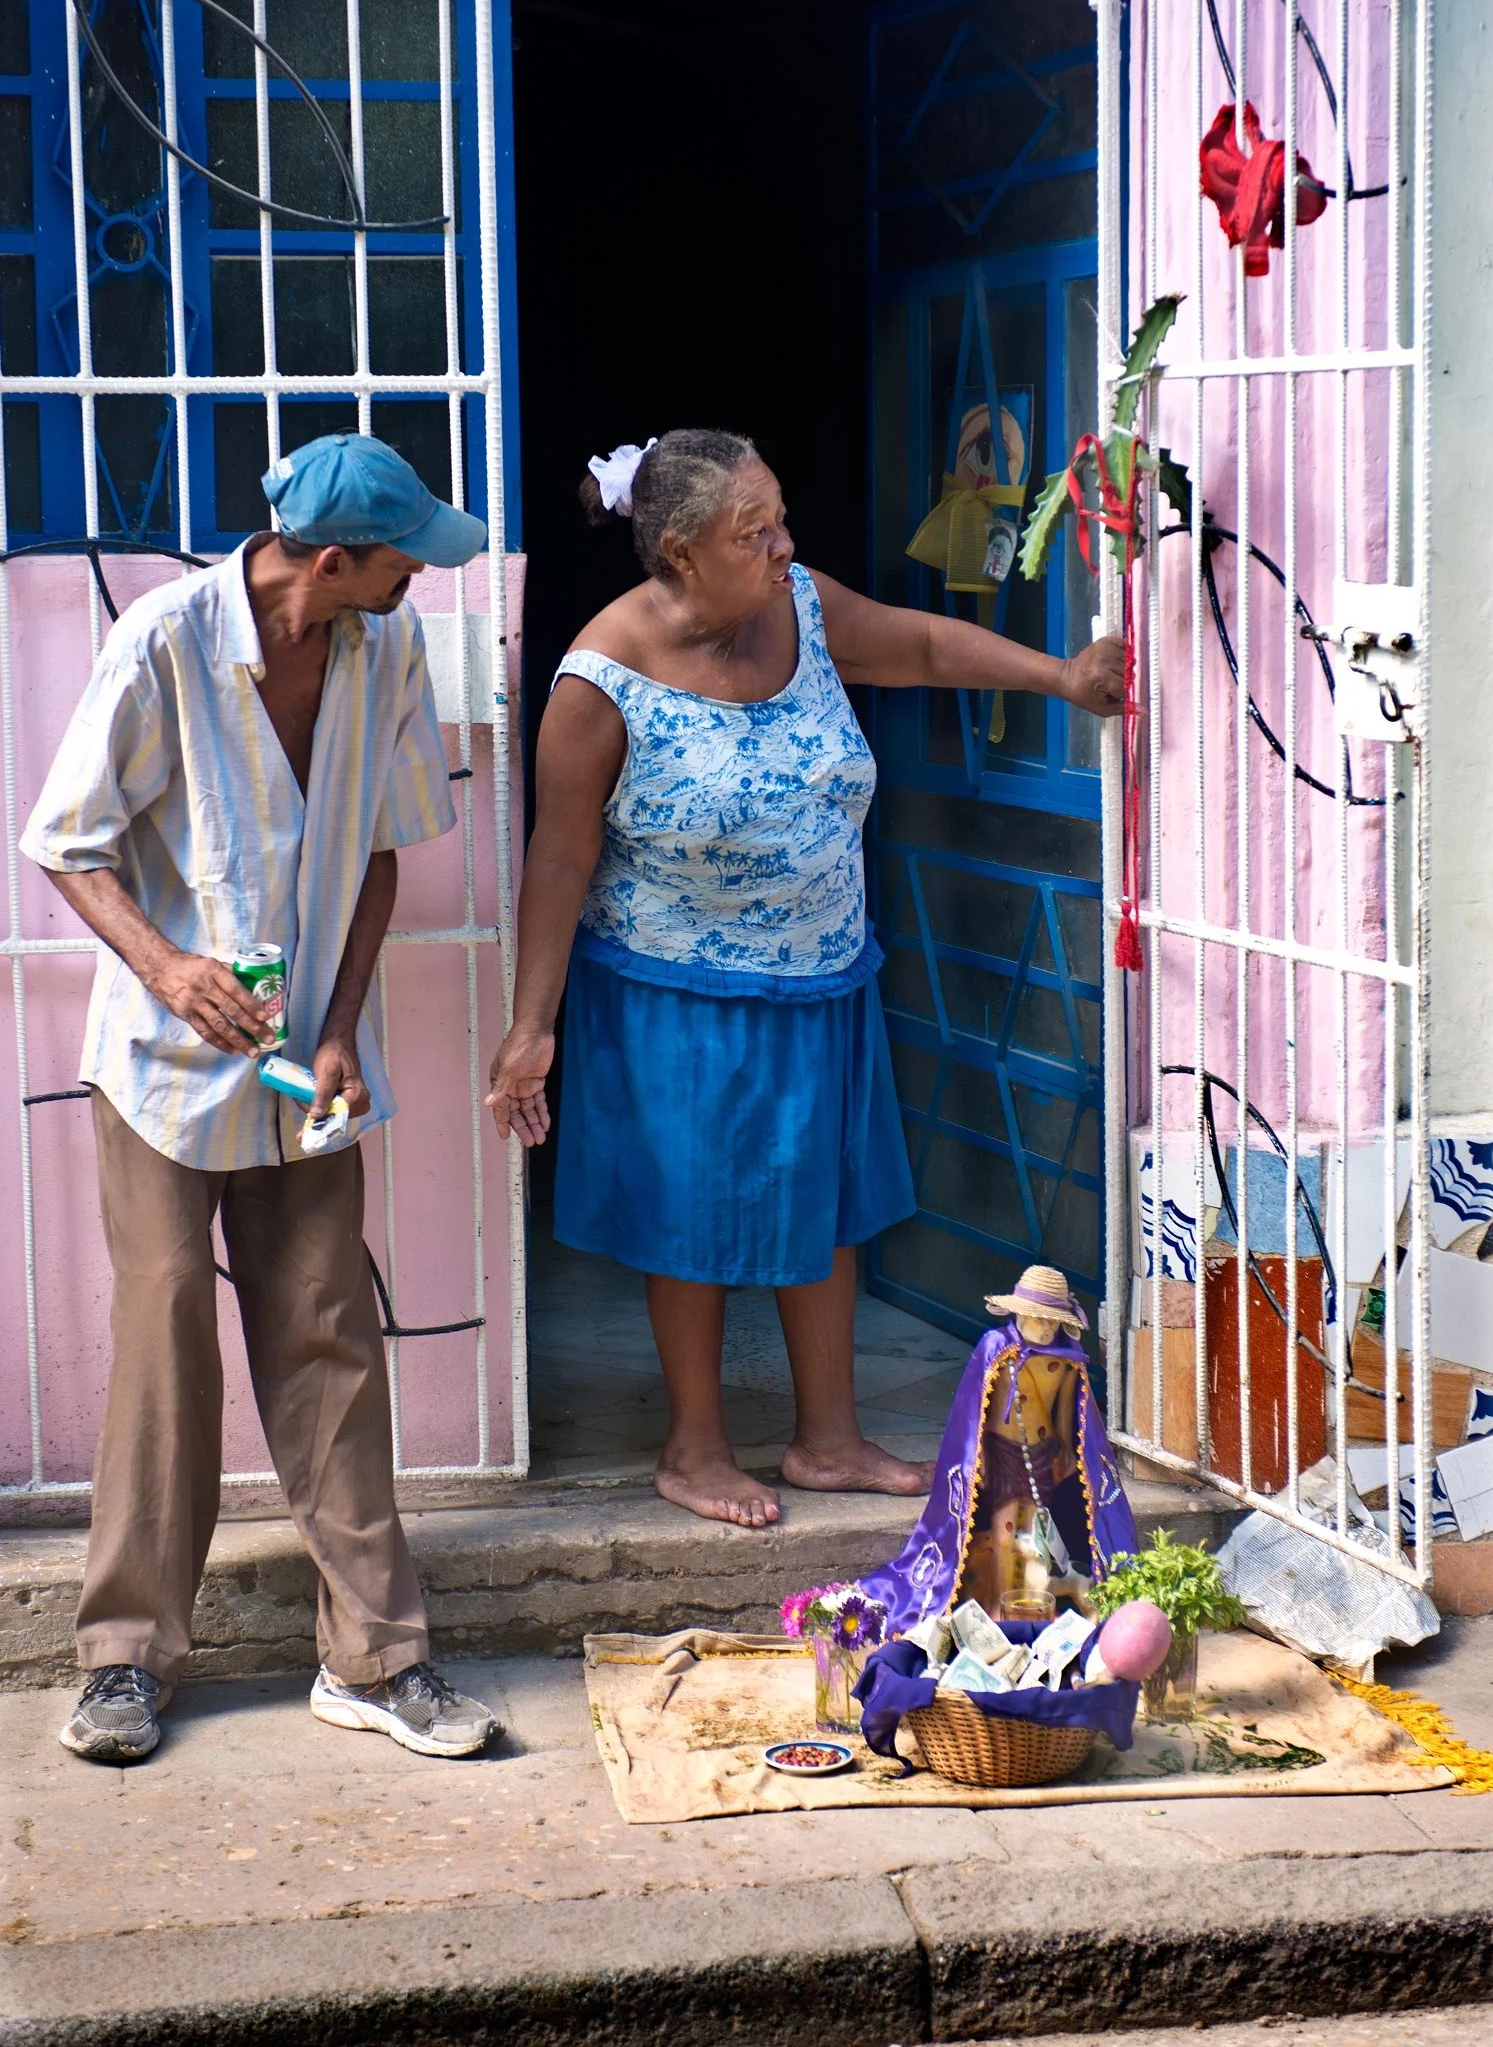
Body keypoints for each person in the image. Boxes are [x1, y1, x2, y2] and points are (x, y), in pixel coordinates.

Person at [486, 429, 1124, 1531]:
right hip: (672, 991)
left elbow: (920, 648)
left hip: (823, 975)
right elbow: (559, 854)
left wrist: (1063, 680)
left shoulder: (806, 609)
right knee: (690, 1218)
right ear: (681, 552)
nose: (783, 545)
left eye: (779, 519)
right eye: (754, 532)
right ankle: (694, 1446)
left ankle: (828, 1438)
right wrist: (529, 1025)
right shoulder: (601, 677)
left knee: (825, 1203)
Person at [22, 433, 497, 1765]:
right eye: (408, 556)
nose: (427, 575)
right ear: (334, 560)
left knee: (329, 1333)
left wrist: (340, 1032)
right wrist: (169, 968)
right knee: (165, 1327)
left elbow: (387, 858)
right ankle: (123, 1660)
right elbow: (65, 843)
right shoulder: (167, 643)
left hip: (306, 1068)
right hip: (164, 1072)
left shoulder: (385, 648)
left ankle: (378, 1658)